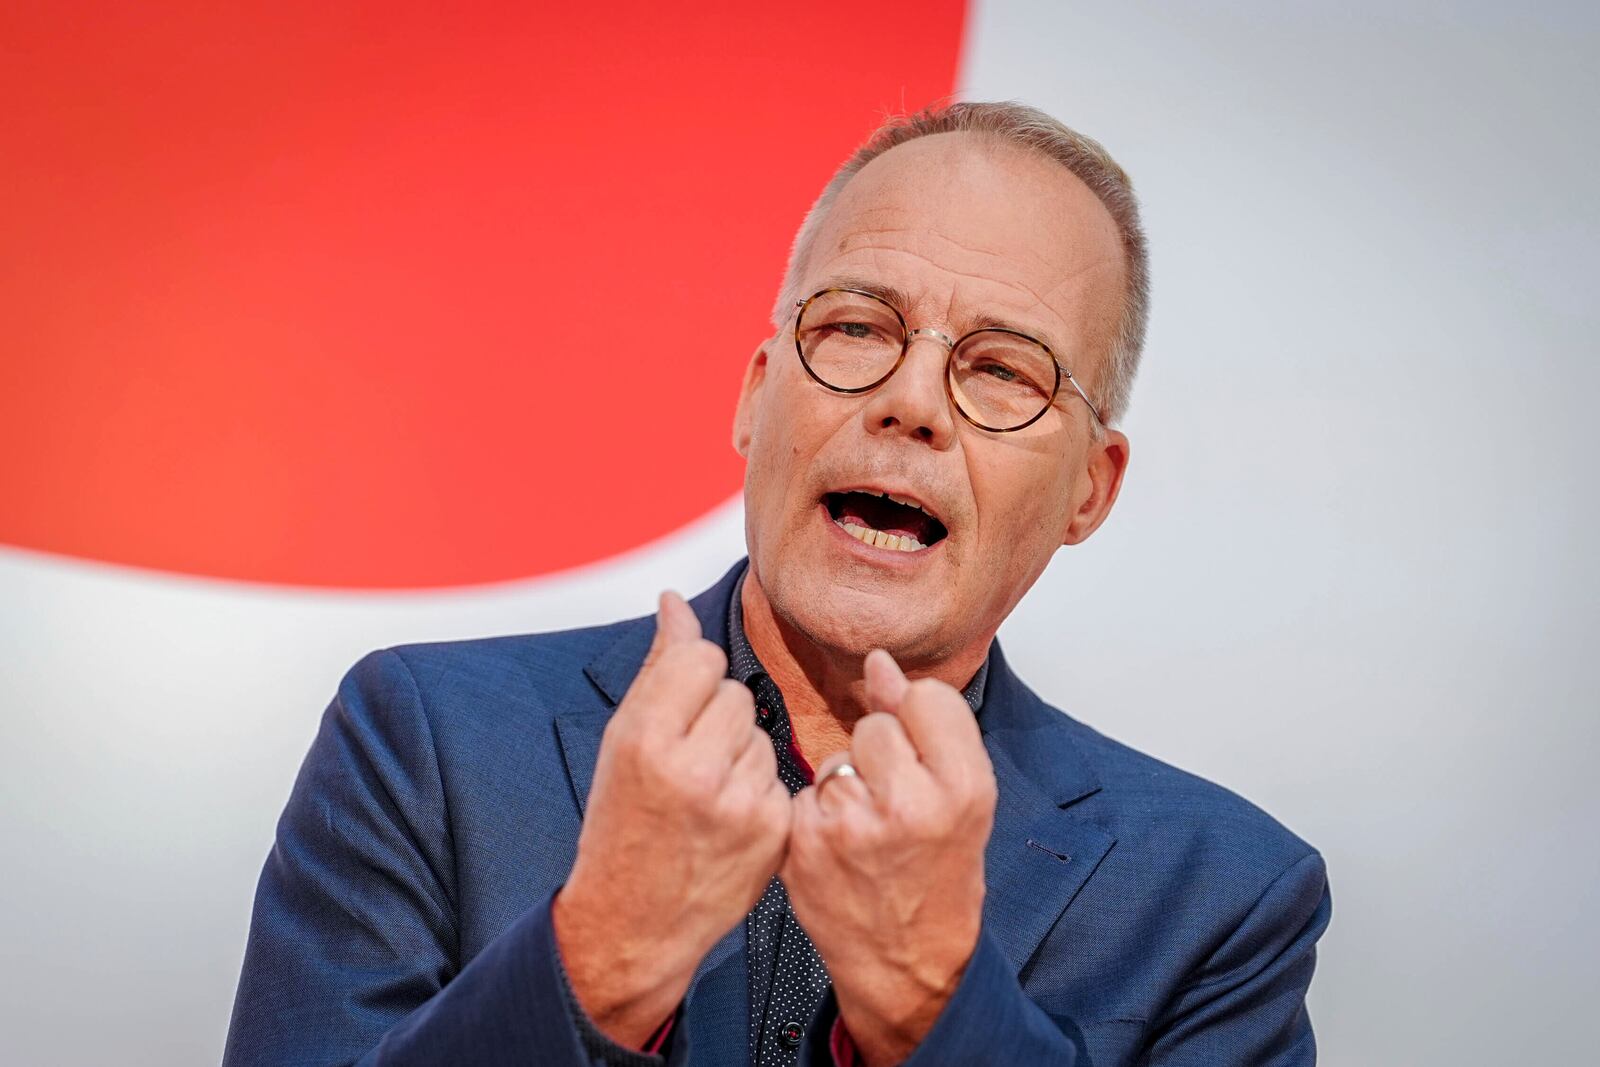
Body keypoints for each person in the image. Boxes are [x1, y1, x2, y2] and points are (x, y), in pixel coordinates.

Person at [223, 101, 1332, 1066]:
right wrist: (600, 955)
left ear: (1091, 488)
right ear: (758, 398)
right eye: (856, 328)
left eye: (1001, 369)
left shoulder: (1218, 896)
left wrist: (930, 1006)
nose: (911, 403)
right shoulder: (425, 739)